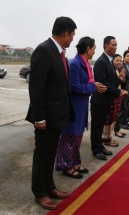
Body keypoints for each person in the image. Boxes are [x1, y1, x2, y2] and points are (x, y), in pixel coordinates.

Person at [25, 17, 77, 210]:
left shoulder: (59, 52)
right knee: (42, 155)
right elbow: (36, 88)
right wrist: (39, 117)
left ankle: (49, 186)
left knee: (50, 154)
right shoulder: (44, 50)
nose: (72, 39)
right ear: (65, 34)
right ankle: (39, 192)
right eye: (72, 35)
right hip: (45, 117)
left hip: (57, 116)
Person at [55, 37, 107, 178]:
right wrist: (93, 86)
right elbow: (73, 86)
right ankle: (66, 166)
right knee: (70, 136)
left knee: (77, 136)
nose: (94, 51)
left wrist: (93, 86)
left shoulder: (84, 63)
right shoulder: (75, 64)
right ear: (88, 48)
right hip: (74, 105)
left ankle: (74, 163)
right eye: (94, 48)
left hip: (82, 104)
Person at [90, 36, 127, 160]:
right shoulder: (101, 61)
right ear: (106, 45)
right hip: (99, 101)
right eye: (113, 45)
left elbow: (113, 80)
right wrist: (118, 92)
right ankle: (96, 149)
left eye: (116, 45)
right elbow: (102, 82)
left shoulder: (109, 61)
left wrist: (120, 78)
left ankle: (100, 146)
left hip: (106, 100)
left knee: (100, 126)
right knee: (96, 127)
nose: (116, 47)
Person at [102, 54, 126, 145]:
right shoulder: (111, 71)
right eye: (117, 60)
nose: (119, 62)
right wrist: (120, 78)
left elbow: (121, 84)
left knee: (113, 119)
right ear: (112, 61)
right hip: (112, 97)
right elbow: (113, 85)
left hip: (118, 97)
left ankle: (109, 137)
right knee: (109, 119)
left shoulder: (118, 70)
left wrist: (122, 78)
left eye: (120, 61)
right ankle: (106, 138)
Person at [120, 50, 129, 130]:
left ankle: (125, 122)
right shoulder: (122, 66)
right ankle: (121, 123)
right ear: (124, 57)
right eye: (128, 56)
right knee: (123, 108)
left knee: (127, 107)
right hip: (124, 90)